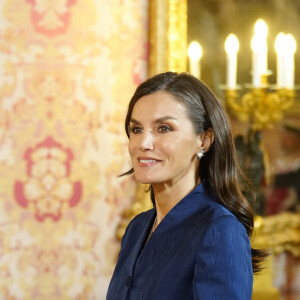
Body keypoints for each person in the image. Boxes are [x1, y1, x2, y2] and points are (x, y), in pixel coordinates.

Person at [106, 72, 267, 300]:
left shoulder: (220, 230)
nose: (143, 143)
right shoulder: (136, 228)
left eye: (164, 128)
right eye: (136, 129)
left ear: (204, 139)